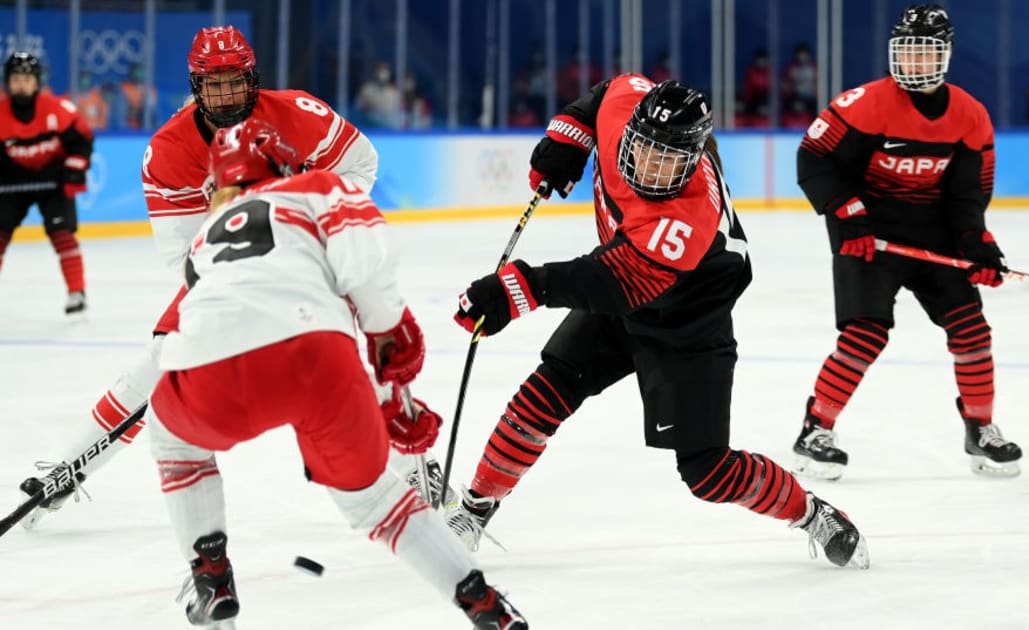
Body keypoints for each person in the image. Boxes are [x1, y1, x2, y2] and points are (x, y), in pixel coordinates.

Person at [444, 75, 869, 570]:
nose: (651, 166)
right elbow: (606, 92)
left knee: (707, 472)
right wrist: (567, 139)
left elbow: (612, 282)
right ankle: (475, 509)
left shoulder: (685, 218)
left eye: (669, 160)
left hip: (689, 317)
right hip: (628, 277)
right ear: (633, 130)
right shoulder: (626, 109)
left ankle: (810, 512)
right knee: (548, 389)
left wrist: (516, 290)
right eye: (645, 149)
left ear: (693, 160)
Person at [147, 117, 527, 629]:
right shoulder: (315, 186)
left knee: (174, 441)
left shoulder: (204, 239)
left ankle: (211, 573)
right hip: (317, 360)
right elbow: (365, 267)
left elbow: (197, 319)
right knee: (376, 500)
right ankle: (480, 600)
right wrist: (391, 366)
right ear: (283, 162)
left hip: (211, 367)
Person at [16, 25, 380, 529]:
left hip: (306, 262)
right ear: (195, 86)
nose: (226, 94)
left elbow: (361, 164)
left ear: (253, 79)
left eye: (235, 81)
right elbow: (180, 255)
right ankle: (68, 468)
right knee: (157, 363)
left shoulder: (298, 111)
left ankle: (415, 472)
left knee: (361, 362)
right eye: (214, 83)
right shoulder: (169, 151)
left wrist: (318, 220)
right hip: (228, 271)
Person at [790, 3, 1022, 481]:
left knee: (972, 331)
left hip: (932, 233)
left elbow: (968, 193)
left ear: (945, 56)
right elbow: (814, 159)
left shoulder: (970, 115)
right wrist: (848, 217)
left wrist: (976, 242)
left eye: (925, 53)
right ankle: (816, 429)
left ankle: (980, 429)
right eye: (907, 53)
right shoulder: (866, 104)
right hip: (867, 232)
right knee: (865, 334)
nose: (914, 64)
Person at [0, 51, 93, 316]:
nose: (21, 84)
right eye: (16, 79)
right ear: (7, 82)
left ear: (37, 82)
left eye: (27, 79)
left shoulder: (58, 109)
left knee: (63, 233)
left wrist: (74, 171)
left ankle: (76, 292)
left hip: (54, 178)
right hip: (12, 179)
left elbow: (83, 142)